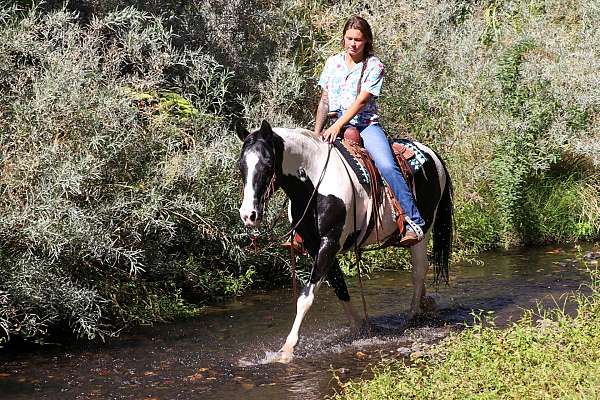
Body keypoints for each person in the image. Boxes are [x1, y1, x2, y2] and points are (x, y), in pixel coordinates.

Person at [314, 15, 425, 245]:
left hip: (365, 126)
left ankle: (414, 221)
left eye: (358, 39)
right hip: (334, 124)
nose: (352, 44)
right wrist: (316, 133)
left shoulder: (375, 66)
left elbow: (361, 102)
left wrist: (336, 126)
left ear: (366, 41)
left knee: (386, 164)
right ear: (343, 38)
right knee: (306, 165)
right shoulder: (332, 63)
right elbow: (324, 100)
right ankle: (301, 230)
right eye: (348, 38)